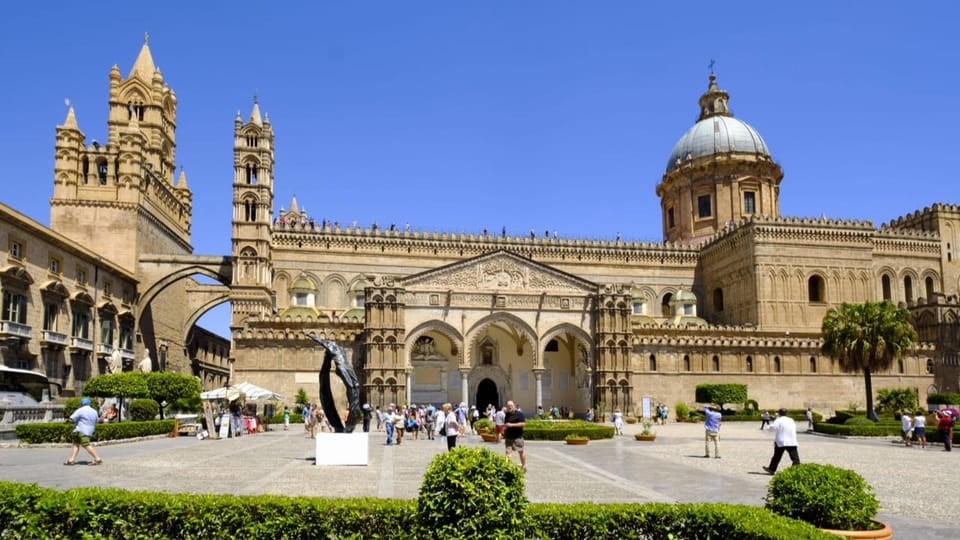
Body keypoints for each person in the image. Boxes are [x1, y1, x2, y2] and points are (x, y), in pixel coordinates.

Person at [65, 397, 102, 466]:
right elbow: (97, 420)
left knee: (86, 444)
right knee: (76, 443)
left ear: (82, 404)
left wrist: (67, 421)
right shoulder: (94, 411)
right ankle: (71, 459)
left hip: (81, 430)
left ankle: (97, 459)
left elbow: (71, 419)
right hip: (89, 430)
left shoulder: (80, 410)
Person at [763, 408, 800, 474]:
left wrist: (768, 427)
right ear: (787, 413)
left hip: (781, 441)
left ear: (779, 413)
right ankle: (795, 469)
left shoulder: (779, 420)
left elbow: (773, 428)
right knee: (795, 458)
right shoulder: (791, 420)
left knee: (777, 456)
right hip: (791, 441)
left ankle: (772, 469)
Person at [503, 400, 527, 471]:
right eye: (508, 406)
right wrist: (505, 428)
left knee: (521, 452)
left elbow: (523, 424)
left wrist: (511, 425)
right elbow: (506, 424)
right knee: (507, 452)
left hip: (518, 437)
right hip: (509, 437)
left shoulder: (520, 414)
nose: (509, 407)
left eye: (511, 406)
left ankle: (524, 465)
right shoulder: (507, 414)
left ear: (514, 406)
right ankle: (507, 468)